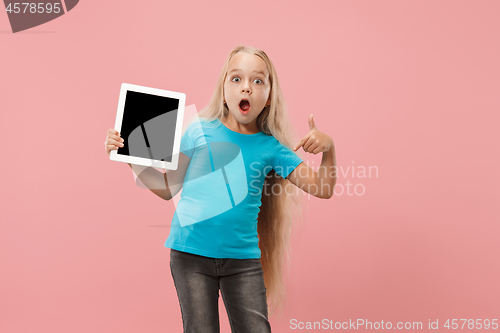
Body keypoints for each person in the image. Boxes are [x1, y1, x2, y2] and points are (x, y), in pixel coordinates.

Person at [105, 45, 337, 333]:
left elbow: (323, 187)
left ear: (268, 98)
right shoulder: (197, 130)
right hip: (189, 256)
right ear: (224, 90)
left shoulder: (271, 148)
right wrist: (128, 158)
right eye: (236, 79)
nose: (247, 88)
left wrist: (329, 150)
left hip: (243, 262)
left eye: (258, 81)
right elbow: (167, 187)